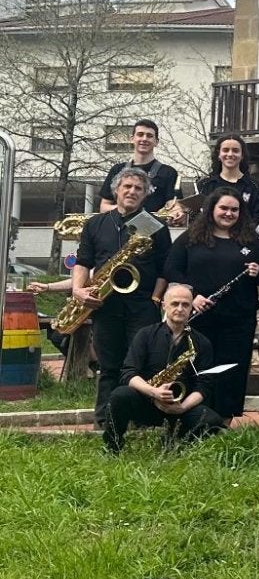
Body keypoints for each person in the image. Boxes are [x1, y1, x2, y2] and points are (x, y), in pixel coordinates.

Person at [74, 166, 173, 427]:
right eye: (127, 186)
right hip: (105, 304)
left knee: (142, 364)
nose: (132, 191)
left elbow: (166, 268)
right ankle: (105, 422)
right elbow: (83, 261)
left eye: (138, 188)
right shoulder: (96, 223)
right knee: (109, 366)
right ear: (116, 190)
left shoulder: (155, 225)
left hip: (142, 305)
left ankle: (141, 419)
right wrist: (78, 290)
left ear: (145, 195)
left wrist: (155, 299)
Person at [165, 188, 259, 420]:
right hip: (201, 316)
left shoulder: (250, 240)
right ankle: (195, 415)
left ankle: (224, 419)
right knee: (200, 366)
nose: (229, 213)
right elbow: (172, 269)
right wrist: (193, 296)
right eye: (223, 208)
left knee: (232, 369)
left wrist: (257, 271)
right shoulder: (192, 237)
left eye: (234, 209)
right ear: (212, 208)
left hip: (238, 318)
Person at [103, 283, 224, 453]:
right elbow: (128, 373)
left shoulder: (202, 342)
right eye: (175, 304)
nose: (180, 309)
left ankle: (172, 443)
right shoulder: (145, 335)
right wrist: (154, 392)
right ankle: (112, 447)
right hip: (147, 401)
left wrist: (182, 407)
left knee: (212, 421)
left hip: (181, 405)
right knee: (119, 396)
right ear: (164, 305)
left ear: (191, 308)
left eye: (185, 304)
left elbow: (204, 385)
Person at [97, 119, 183, 222]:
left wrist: (177, 212)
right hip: (119, 231)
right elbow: (104, 207)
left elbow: (173, 206)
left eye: (149, 136)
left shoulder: (169, 173)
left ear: (156, 142)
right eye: (140, 134)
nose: (144, 139)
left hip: (153, 231)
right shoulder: (117, 170)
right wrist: (130, 210)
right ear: (132, 139)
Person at [195, 134, 259, 224]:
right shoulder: (204, 185)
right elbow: (196, 216)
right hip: (210, 236)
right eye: (225, 150)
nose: (230, 154)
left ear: (242, 155)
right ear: (218, 154)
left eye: (235, 151)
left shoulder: (254, 186)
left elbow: (258, 217)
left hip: (244, 236)